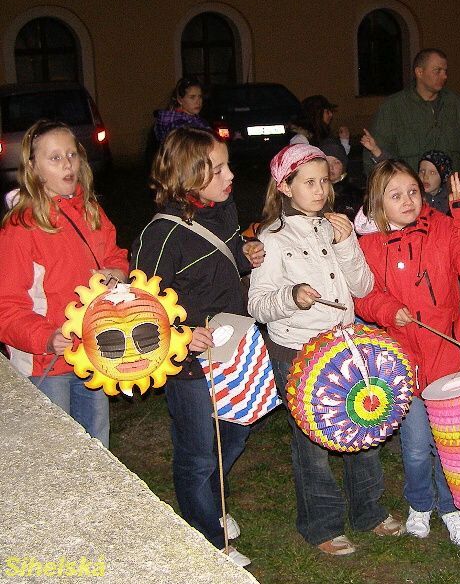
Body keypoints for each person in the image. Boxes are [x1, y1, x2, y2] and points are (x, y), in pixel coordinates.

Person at [246, 144, 403, 556]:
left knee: (363, 426)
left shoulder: (335, 227)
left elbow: (363, 286)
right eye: (309, 183)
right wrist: (291, 296)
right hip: (298, 354)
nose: (320, 191)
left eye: (324, 182)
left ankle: (369, 511)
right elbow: (257, 304)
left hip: (345, 349)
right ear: (285, 186)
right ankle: (322, 525)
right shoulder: (272, 239)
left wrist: (348, 243)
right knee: (312, 445)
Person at [131, 127, 264, 567]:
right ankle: (207, 536)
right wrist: (181, 335)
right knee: (198, 452)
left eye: (227, 165)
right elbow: (140, 309)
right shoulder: (160, 236)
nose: (231, 175)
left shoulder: (222, 209)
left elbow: (222, 259)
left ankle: (209, 500)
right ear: (189, 175)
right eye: (218, 169)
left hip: (232, 346)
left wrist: (244, 255)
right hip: (188, 362)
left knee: (236, 431)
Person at [354, 160, 460, 547]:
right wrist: (387, 310)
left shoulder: (444, 227)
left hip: (447, 355)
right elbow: (362, 296)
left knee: (450, 444)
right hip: (404, 363)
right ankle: (419, 504)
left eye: (413, 192)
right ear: (378, 202)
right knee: (416, 446)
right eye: (396, 195)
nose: (408, 201)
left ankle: (451, 507)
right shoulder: (368, 245)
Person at [0, 119, 129, 448]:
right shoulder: (21, 227)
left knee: (96, 447)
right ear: (33, 167)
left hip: (92, 351)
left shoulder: (89, 210)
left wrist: (116, 274)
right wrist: (46, 337)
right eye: (55, 158)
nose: (68, 164)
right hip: (45, 362)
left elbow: (114, 256)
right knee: (56, 450)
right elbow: (7, 306)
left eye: (72, 154)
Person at [363, 48, 460, 175]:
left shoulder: (456, 105)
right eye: (437, 71)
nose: (444, 76)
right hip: (409, 185)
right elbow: (375, 155)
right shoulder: (393, 108)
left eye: (445, 71)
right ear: (419, 72)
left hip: (450, 186)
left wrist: (458, 181)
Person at [153, 77, 210, 143]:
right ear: (180, 100)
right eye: (192, 97)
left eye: (200, 96)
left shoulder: (197, 120)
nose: (198, 102)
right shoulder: (178, 126)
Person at [417, 150, 453, 215]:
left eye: (432, 172)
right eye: (422, 171)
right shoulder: (416, 197)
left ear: (443, 177)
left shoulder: (451, 200)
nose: (425, 177)